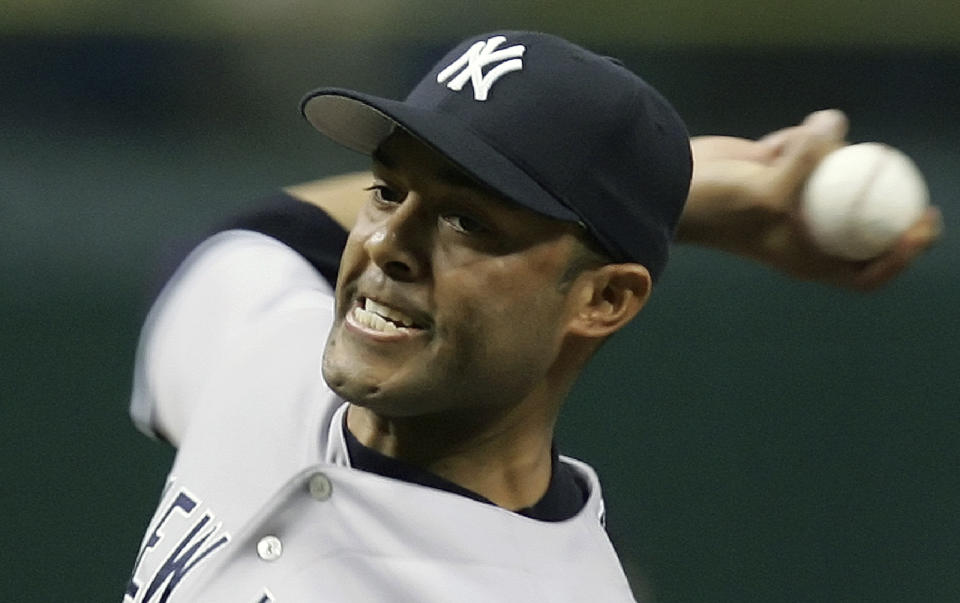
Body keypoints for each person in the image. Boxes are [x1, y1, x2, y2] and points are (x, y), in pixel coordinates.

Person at [123, 31, 939, 602]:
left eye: (469, 221)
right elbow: (229, 248)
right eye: (388, 188)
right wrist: (689, 203)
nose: (386, 245)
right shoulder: (272, 360)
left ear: (605, 298)